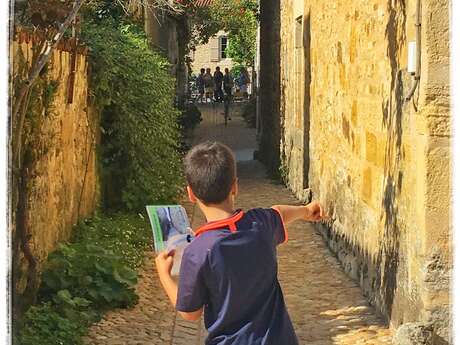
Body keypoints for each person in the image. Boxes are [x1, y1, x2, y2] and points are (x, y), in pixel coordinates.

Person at [155, 141, 327, 345]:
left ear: (191, 194)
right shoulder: (260, 223)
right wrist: (306, 211)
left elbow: (190, 313)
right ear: (235, 186)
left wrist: (164, 274)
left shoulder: (198, 251)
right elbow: (279, 213)